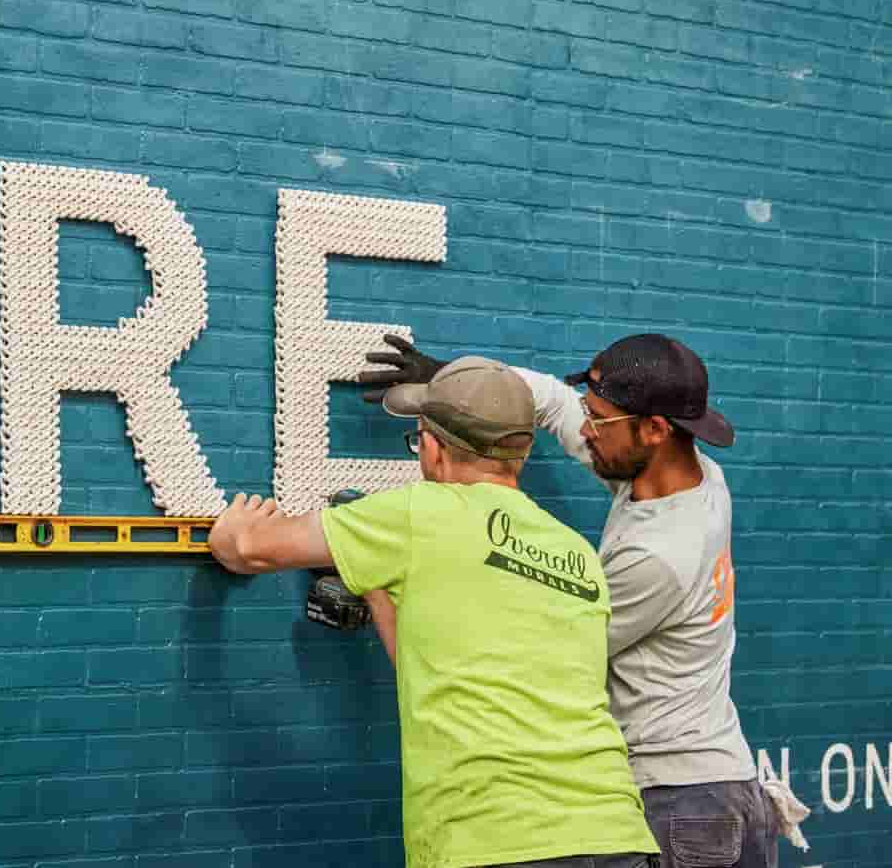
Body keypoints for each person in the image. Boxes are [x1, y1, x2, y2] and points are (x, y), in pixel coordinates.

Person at [210, 356, 659, 868]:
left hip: (494, 840)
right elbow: (431, 663)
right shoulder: (577, 553)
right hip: (616, 833)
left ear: (431, 448)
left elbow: (246, 549)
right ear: (522, 451)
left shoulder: (416, 513)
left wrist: (234, 524)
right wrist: (375, 577)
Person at [359, 334, 779, 868]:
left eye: (598, 421)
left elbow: (551, 654)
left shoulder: (660, 556)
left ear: (655, 429)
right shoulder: (688, 476)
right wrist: (460, 384)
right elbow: (556, 404)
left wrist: (392, 592)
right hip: (709, 792)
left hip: (680, 805)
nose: (584, 430)